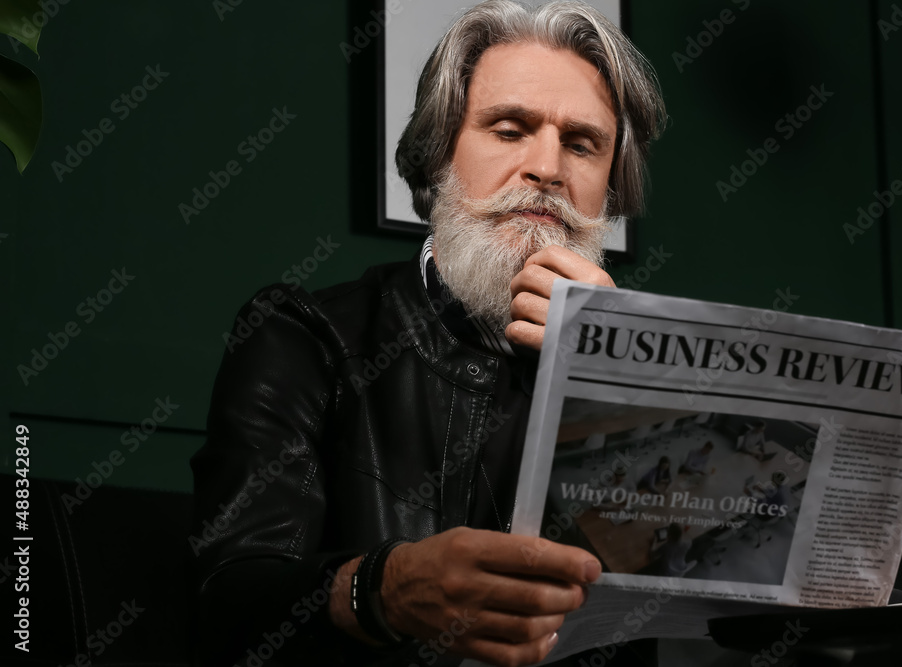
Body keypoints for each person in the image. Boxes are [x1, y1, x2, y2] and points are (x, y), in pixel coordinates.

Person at [189, 2, 665, 666]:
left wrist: (616, 377)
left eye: (582, 143)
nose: (547, 168)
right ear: (439, 152)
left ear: (609, 190)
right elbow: (232, 601)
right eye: (509, 129)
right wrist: (385, 589)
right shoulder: (306, 335)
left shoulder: (634, 366)